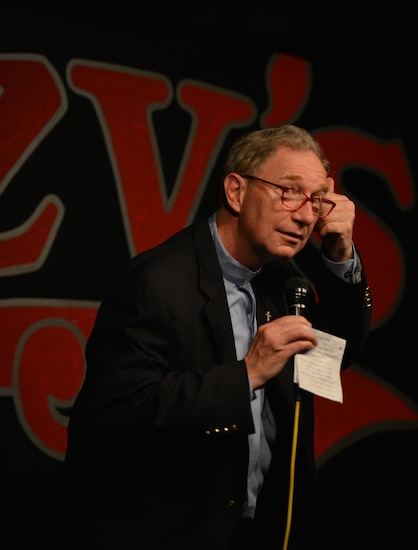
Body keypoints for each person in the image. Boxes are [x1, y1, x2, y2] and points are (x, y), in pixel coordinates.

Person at [55, 125, 373, 549]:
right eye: (288, 191)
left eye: (315, 199)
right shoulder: (156, 283)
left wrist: (339, 254)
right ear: (236, 192)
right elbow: (109, 420)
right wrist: (246, 375)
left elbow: (333, 357)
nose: (304, 215)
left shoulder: (284, 280)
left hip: (263, 533)